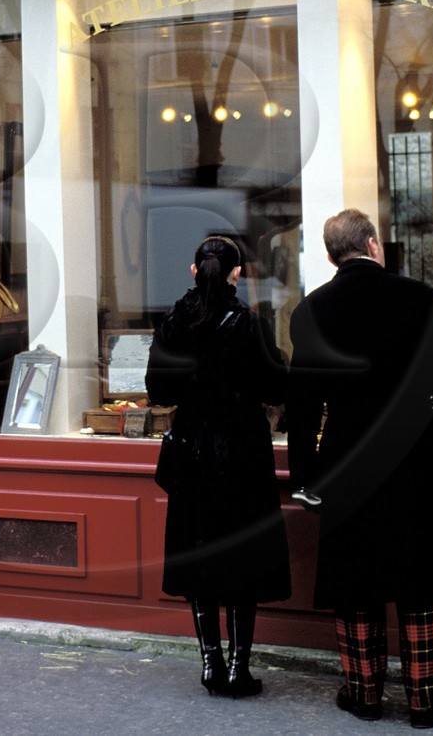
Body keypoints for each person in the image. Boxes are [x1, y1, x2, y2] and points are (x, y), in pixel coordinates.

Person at [287, 210, 433, 729]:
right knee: (417, 580)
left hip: (347, 460)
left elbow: (301, 405)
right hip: (414, 455)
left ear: (331, 255)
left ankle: (364, 695)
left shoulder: (310, 312)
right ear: (374, 245)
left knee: (356, 579)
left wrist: (304, 477)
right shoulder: (419, 300)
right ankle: (424, 701)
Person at [146, 235, 290, 698]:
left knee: (201, 553)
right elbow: (277, 388)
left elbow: (158, 392)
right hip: (243, 452)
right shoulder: (250, 324)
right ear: (237, 273)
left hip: (192, 453)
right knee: (243, 557)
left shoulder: (173, 323)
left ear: (193, 271)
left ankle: (210, 663)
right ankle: (238, 669)